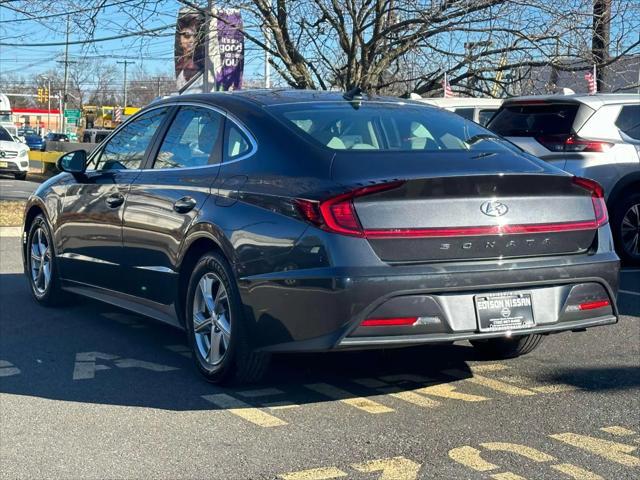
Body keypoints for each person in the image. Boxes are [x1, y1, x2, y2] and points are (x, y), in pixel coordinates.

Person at [175, 10, 205, 89]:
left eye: (195, 36)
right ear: (179, 39)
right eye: (187, 35)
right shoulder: (180, 70)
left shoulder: (201, 69)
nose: (191, 40)